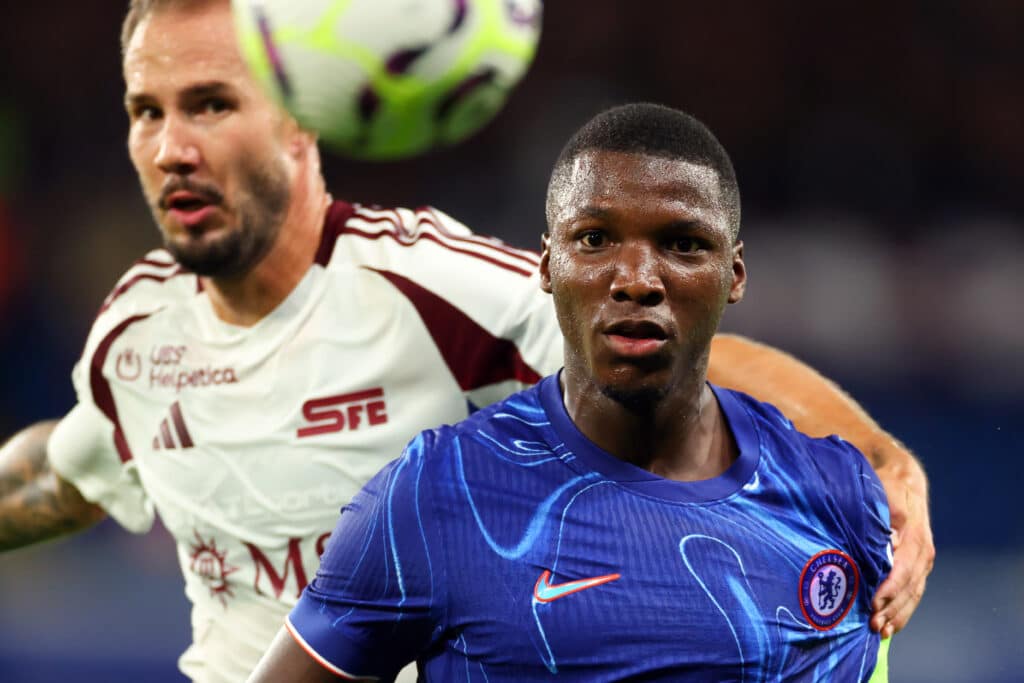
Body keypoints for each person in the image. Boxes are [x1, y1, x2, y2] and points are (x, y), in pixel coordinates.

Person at [0, 0, 930, 681]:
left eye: (209, 104)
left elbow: (676, 346)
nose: (171, 147)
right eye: (145, 111)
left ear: (301, 111)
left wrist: (884, 462)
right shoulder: (136, 331)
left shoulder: (420, 284)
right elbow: (63, 472)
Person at [251, 103, 895, 682]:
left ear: (734, 274)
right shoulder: (438, 493)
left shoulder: (839, 494)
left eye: (682, 244)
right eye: (594, 240)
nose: (637, 279)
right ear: (546, 266)